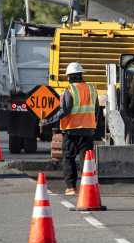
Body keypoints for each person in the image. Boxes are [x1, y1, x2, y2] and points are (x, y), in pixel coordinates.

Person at [42, 62, 99, 196]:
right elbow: (96, 110)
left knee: (68, 158)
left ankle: (71, 188)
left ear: (69, 77)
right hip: (88, 130)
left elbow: (65, 111)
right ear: (81, 75)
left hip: (72, 130)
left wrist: (48, 121)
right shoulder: (92, 89)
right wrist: (93, 124)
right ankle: (89, 187)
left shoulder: (70, 90)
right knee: (87, 161)